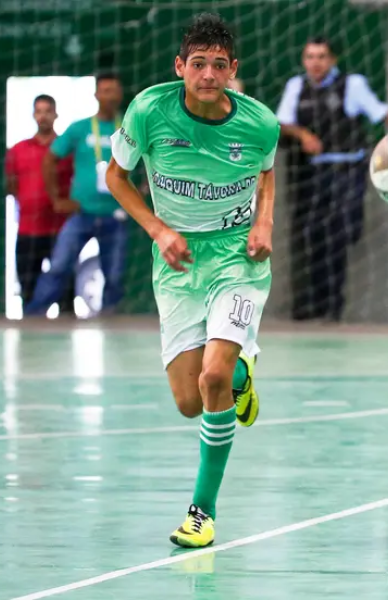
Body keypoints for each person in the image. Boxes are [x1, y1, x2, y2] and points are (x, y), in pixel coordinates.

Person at [106, 12, 279, 548]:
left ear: (233, 71)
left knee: (211, 379)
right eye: (198, 63)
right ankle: (241, 380)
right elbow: (116, 176)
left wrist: (264, 221)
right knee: (189, 400)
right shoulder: (147, 112)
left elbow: (266, 173)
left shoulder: (259, 122)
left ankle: (201, 513)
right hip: (177, 262)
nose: (208, 73)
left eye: (219, 65)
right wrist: (158, 229)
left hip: (237, 262)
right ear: (180, 66)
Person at [276, 36, 388, 321]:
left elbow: (382, 113)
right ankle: (317, 306)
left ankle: (333, 304)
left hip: (348, 170)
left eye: (321, 56)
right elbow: (282, 122)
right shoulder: (296, 87)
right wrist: (303, 134)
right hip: (312, 174)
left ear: (332, 60)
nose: (315, 63)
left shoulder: (352, 85)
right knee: (314, 237)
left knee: (342, 232)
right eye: (310, 57)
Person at [26, 73, 128, 316]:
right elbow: (50, 160)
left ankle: (110, 320)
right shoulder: (79, 128)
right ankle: (33, 317)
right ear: (96, 95)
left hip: (117, 214)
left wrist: (144, 185)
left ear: (120, 94)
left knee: (114, 275)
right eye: (104, 90)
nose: (109, 96)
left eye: (113, 90)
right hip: (81, 213)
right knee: (59, 266)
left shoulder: (128, 126)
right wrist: (56, 198)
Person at [4, 94, 74, 314]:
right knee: (28, 292)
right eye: (39, 111)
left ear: (55, 115)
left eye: (47, 111)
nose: (43, 116)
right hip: (27, 231)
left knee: (65, 295)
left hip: (60, 231)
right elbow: (12, 185)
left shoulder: (66, 149)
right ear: (34, 115)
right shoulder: (17, 150)